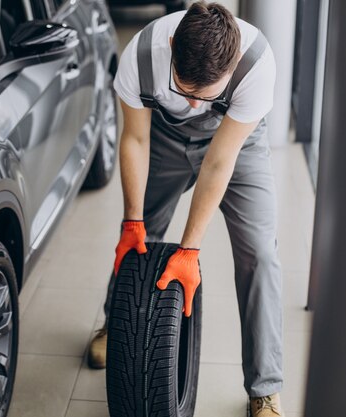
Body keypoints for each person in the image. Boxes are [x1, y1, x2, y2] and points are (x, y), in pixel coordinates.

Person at [88, 2, 283, 416]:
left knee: (260, 254)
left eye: (205, 94)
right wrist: (132, 221)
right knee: (142, 237)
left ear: (230, 70)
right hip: (162, 134)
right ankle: (116, 324)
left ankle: (264, 390)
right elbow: (135, 140)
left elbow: (220, 160)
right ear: (173, 46)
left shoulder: (257, 64)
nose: (194, 105)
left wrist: (190, 250)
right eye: (184, 89)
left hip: (236, 144)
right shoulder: (140, 58)